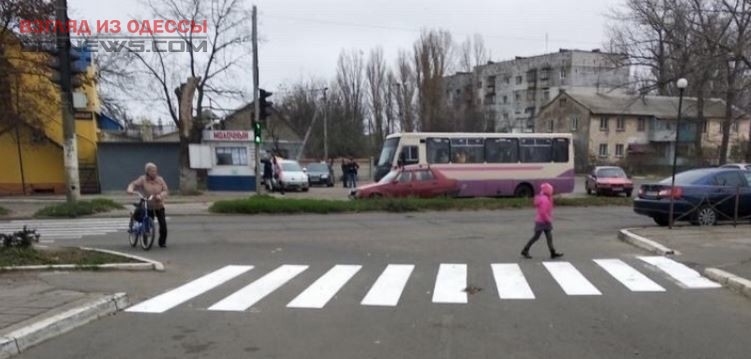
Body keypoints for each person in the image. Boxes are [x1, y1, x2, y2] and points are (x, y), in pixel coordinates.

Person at [126, 162, 169, 248]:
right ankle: (145, 242)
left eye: (155, 171)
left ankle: (162, 242)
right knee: (147, 224)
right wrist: (130, 189)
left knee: (163, 225)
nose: (154, 173)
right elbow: (133, 184)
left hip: (158, 205)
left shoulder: (160, 180)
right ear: (147, 172)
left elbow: (166, 190)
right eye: (152, 171)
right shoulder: (142, 179)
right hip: (147, 205)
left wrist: (160, 196)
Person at [521, 183, 563, 259]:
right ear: (548, 191)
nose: (552, 192)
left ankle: (552, 252)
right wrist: (548, 220)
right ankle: (525, 250)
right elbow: (543, 212)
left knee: (549, 237)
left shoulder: (546, 198)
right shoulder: (544, 200)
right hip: (542, 221)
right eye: (551, 190)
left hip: (543, 220)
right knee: (536, 237)